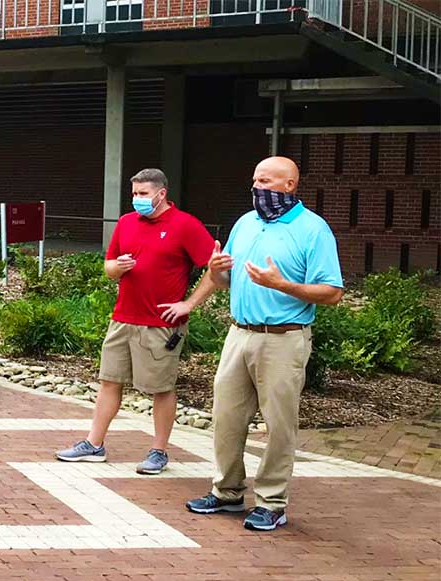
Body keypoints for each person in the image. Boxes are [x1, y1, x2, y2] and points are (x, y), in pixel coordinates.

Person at [186, 156, 343, 531]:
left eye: (267, 182)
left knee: (278, 424)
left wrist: (282, 285)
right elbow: (228, 282)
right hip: (239, 334)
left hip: (283, 339)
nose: (258, 188)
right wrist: (215, 271)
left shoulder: (312, 230)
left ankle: (272, 501)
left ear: (290, 185)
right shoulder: (246, 223)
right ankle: (227, 492)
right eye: (255, 180)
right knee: (226, 417)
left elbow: (332, 292)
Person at [55, 168, 215, 474]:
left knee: (161, 388)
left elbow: (216, 268)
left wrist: (188, 304)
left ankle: (159, 451)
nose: (136, 200)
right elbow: (109, 267)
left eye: (143, 194)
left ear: (161, 194)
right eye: (134, 194)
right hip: (122, 318)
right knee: (108, 381)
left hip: (161, 324)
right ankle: (94, 444)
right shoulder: (127, 223)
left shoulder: (185, 225)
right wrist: (118, 267)